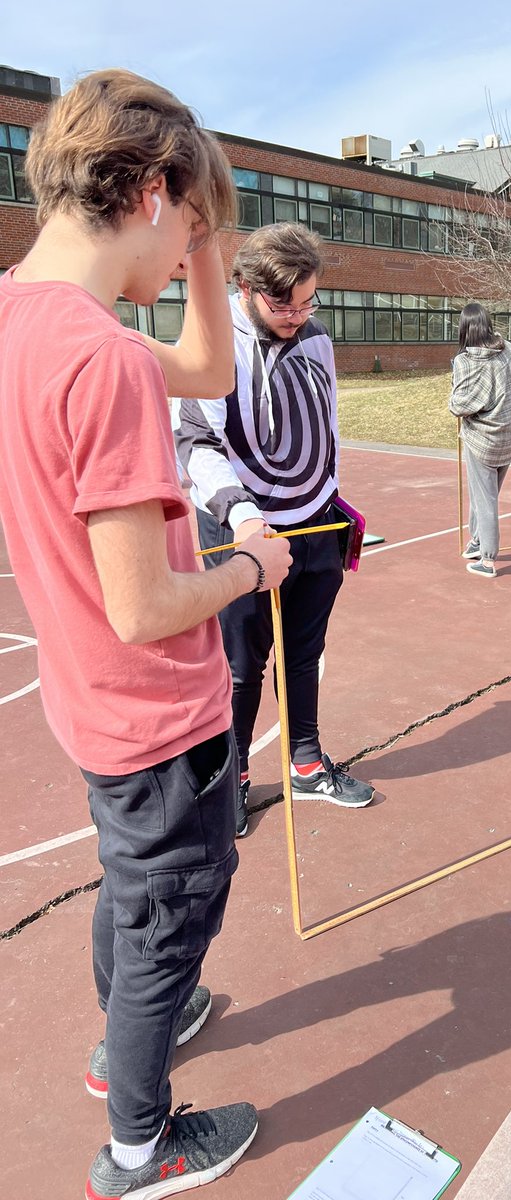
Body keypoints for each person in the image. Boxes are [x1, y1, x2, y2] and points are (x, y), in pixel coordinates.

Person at [0, 70, 292, 1198]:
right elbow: (145, 607)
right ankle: (139, 1144)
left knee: (133, 891)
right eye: (190, 233)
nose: (188, 266)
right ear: (154, 191)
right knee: (172, 909)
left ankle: (127, 1028)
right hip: (156, 712)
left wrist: (207, 239)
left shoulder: (26, 315)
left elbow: (210, 369)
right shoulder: (108, 361)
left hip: (89, 708)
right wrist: (248, 563)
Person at [174, 222, 374, 835]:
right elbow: (194, 440)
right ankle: (231, 779)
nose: (297, 314)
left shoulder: (317, 338)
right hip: (244, 531)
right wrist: (243, 513)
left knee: (305, 654)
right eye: (283, 303)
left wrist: (324, 497)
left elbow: (324, 423)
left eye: (308, 299)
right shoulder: (211, 342)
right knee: (240, 663)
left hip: (314, 522)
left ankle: (307, 762)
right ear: (244, 288)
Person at [449, 302, 511, 578]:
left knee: (485, 499)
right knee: (485, 495)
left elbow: (459, 405)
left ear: (464, 329)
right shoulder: (509, 348)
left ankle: (488, 560)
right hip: (510, 432)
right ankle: (477, 542)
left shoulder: (465, 362)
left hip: (483, 439)